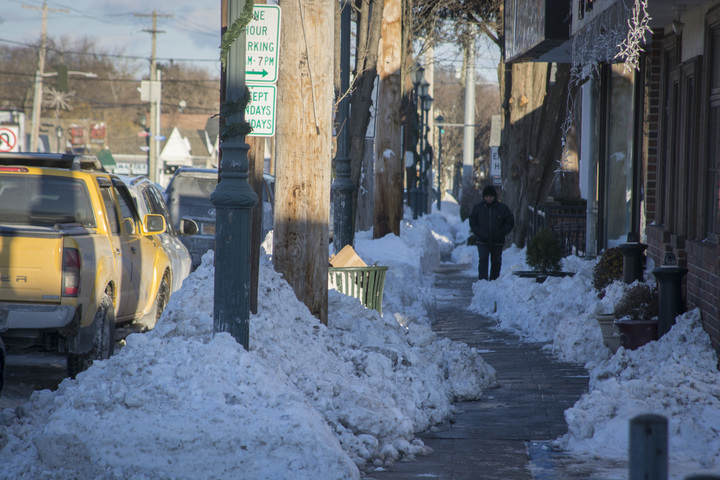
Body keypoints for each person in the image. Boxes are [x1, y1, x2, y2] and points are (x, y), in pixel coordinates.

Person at [468, 185, 515, 281]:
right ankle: (482, 282)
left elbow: (510, 222)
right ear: (484, 197)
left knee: (496, 262)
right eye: (486, 196)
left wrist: (501, 232)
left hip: (497, 241)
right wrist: (478, 232)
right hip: (482, 240)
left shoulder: (502, 208)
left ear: (494, 197)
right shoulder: (478, 208)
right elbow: (472, 222)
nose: (488, 198)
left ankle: (494, 282)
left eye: (490, 196)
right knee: (483, 261)